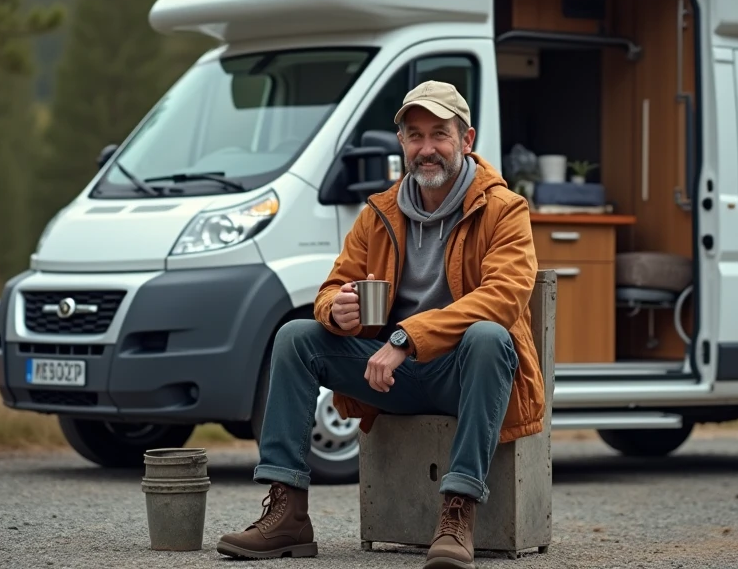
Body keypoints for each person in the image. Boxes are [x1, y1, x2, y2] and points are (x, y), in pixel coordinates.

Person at [216, 80, 544, 568]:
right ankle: (288, 512)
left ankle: (458, 512)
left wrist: (406, 338)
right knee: (295, 338)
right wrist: (336, 309)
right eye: (415, 136)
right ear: (402, 144)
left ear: (467, 139)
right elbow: (332, 287)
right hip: (390, 376)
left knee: (489, 337)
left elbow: (504, 298)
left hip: (464, 376)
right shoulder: (379, 213)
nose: (427, 148)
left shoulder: (504, 210)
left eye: (440, 134)